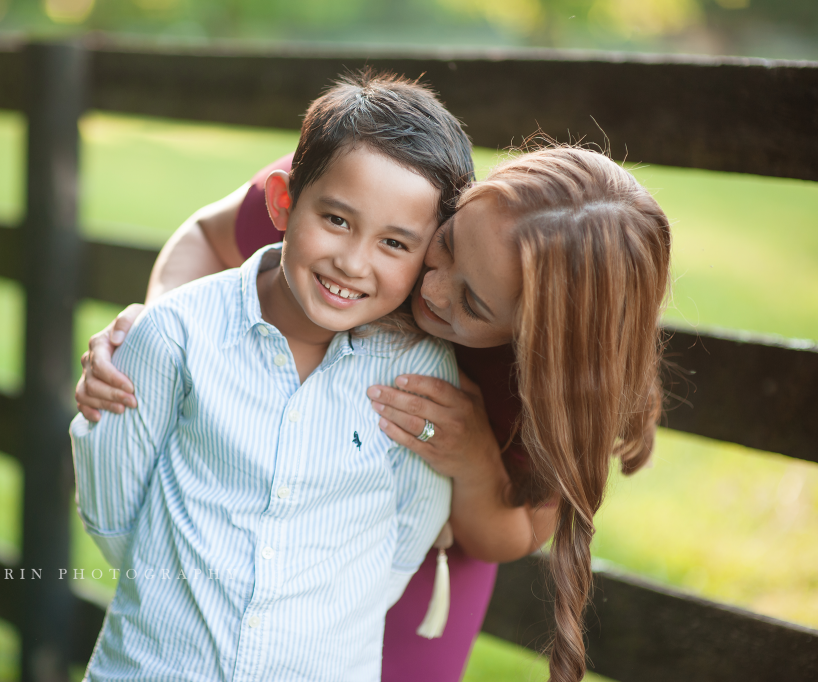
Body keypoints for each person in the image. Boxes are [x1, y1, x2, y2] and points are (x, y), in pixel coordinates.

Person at [78, 143, 672, 682]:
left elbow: (514, 534)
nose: (432, 291)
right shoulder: (365, 200)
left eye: (471, 302)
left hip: (429, 551)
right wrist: (154, 331)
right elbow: (206, 236)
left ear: (536, 339)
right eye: (447, 244)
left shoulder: (548, 384)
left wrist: (472, 462)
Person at [70, 71, 486, 681]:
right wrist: (177, 582)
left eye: (395, 244)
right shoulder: (179, 332)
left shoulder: (419, 372)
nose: (353, 261)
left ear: (428, 255)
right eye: (338, 220)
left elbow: (409, 524)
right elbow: (111, 505)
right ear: (282, 202)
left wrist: (330, 608)